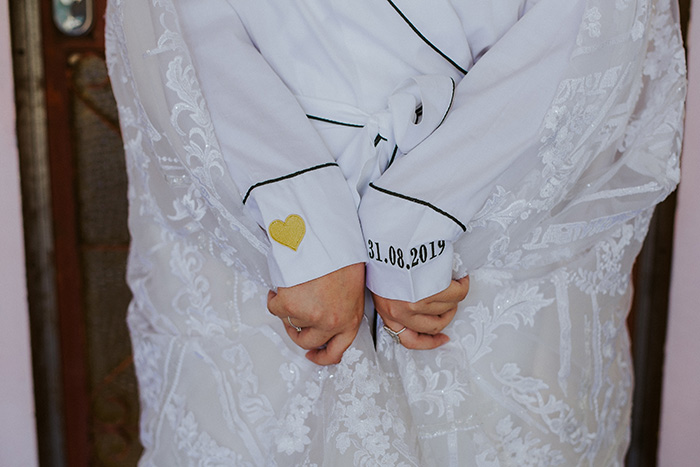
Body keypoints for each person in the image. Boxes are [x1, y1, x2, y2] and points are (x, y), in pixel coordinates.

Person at [106, 0, 686, 465]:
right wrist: (303, 229)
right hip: (249, 215)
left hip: (501, 214)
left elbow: (596, 19)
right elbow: (170, 22)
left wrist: (422, 212)